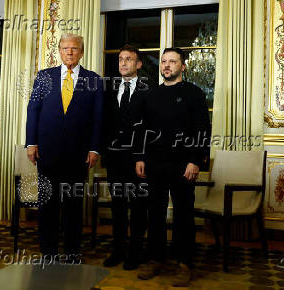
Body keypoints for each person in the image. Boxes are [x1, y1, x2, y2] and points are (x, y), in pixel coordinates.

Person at [134, 48, 211, 286]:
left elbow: (203, 131)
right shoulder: (151, 95)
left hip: (184, 165)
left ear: (183, 66)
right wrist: (140, 157)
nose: (167, 65)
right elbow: (142, 129)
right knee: (155, 214)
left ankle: (184, 264)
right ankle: (156, 259)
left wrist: (196, 161)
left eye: (172, 61)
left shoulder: (194, 93)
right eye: (164, 61)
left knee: (183, 216)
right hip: (155, 164)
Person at [26, 33, 103, 262]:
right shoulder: (44, 77)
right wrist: (31, 143)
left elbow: (99, 118)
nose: (69, 52)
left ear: (82, 52)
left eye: (75, 48)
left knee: (73, 207)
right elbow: (33, 111)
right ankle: (48, 252)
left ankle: (72, 252)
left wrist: (94, 148)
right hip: (47, 153)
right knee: (47, 206)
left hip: (78, 156)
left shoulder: (94, 80)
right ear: (59, 51)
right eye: (65, 48)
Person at [102, 44, 149, 270]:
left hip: (138, 160)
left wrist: (142, 156)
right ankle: (118, 251)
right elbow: (104, 123)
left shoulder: (149, 90)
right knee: (118, 207)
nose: (123, 63)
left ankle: (136, 253)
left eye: (129, 59)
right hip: (114, 159)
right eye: (121, 59)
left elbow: (151, 127)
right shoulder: (110, 89)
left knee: (138, 208)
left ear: (138, 64)